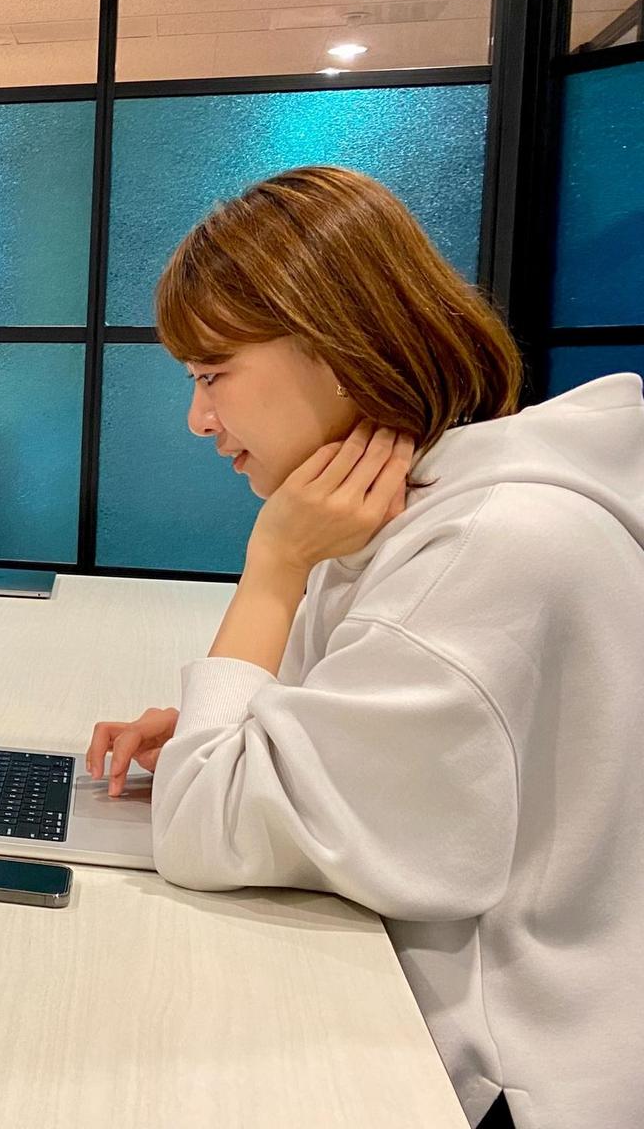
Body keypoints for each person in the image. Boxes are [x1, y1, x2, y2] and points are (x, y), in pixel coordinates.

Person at [85, 166, 644, 1129]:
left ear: (336, 348)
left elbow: (204, 831)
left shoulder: (477, 550)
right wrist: (243, 729)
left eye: (213, 375)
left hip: (488, 1078)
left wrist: (273, 571)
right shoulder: (446, 503)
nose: (198, 420)